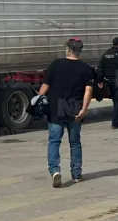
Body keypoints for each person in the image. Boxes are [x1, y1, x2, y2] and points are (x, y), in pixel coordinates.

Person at [37, 37, 94, 188]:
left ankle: (55, 171)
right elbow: (88, 91)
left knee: (54, 141)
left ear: (68, 49)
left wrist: (37, 100)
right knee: (75, 142)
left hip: (56, 107)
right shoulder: (86, 68)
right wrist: (84, 109)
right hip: (74, 108)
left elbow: (45, 87)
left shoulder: (56, 64)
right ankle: (76, 174)